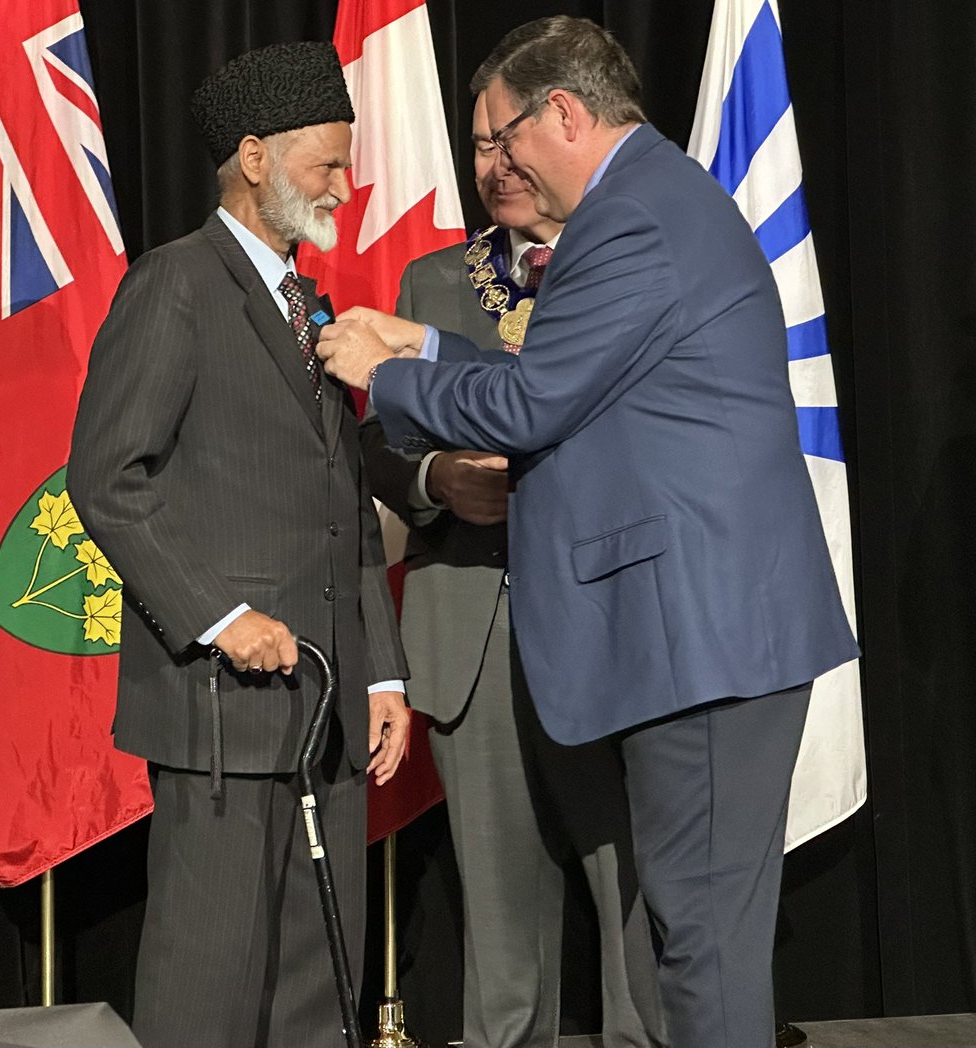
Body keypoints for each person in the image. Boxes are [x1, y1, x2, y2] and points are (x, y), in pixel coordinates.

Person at [316, 16, 859, 1048]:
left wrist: (380, 373)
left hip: (698, 644)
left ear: (560, 112)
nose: (495, 163)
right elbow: (567, 378)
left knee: (698, 945)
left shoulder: (630, 222)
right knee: (702, 938)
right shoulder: (652, 201)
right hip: (704, 636)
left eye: (501, 136)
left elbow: (530, 408)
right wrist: (425, 337)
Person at [67, 41, 410, 1048]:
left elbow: (341, 501)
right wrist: (219, 616)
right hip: (224, 714)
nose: (347, 188)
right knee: (208, 991)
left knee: (316, 1001)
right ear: (255, 158)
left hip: (330, 710)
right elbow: (106, 477)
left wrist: (382, 673)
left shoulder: (309, 306)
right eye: (328, 165)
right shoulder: (175, 285)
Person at [360, 92, 665, 1048]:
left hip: (612, 627)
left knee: (637, 908)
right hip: (474, 638)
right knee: (500, 940)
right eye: (479, 146)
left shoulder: (626, 266)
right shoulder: (435, 280)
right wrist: (438, 478)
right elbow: (375, 444)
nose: (494, 162)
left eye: (509, 140)